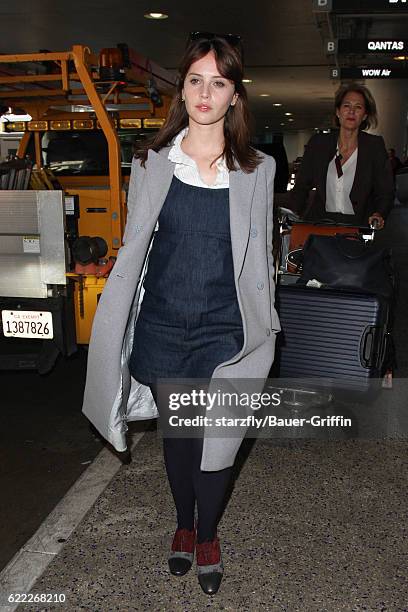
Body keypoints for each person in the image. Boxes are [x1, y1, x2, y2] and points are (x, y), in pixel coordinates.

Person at [82, 32, 280, 596]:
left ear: (234, 95)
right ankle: (183, 525)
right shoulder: (151, 163)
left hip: (229, 330)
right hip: (166, 324)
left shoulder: (257, 169)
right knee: (181, 439)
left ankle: (209, 532)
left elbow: (261, 256)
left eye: (218, 83)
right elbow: (139, 245)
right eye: (195, 80)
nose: (204, 93)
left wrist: (270, 325)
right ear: (183, 89)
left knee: (220, 442)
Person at [289, 83, 394, 229]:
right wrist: (292, 214)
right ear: (338, 112)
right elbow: (301, 186)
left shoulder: (374, 147)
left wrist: (379, 214)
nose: (351, 112)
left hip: (358, 227)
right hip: (320, 225)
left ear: (364, 116)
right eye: (346, 106)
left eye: (358, 107)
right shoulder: (319, 144)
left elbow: (385, 192)